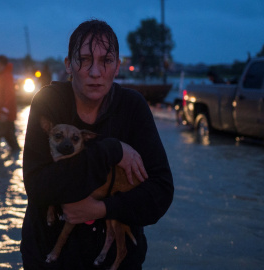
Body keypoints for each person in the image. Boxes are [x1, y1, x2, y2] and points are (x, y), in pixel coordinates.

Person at [21, 19, 174, 269]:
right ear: (68, 64)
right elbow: (37, 186)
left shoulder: (133, 107)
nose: (95, 71)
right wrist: (112, 150)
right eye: (84, 59)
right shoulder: (48, 102)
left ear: (117, 67)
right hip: (47, 259)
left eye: (106, 61)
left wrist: (101, 209)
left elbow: (161, 192)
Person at [0, 55, 20, 152]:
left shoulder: (6, 77)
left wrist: (5, 112)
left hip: (4, 116)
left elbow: (9, 95)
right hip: (1, 115)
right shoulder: (1, 76)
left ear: (1, 64)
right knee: (9, 140)